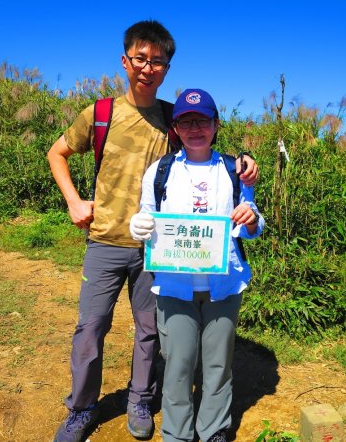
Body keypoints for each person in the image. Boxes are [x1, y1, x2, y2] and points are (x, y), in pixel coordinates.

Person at [47, 22, 258, 442]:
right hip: (105, 240)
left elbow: (205, 151)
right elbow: (57, 152)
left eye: (157, 60)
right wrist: (74, 201)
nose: (148, 67)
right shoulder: (100, 113)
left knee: (149, 332)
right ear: (125, 62)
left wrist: (245, 160)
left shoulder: (170, 117)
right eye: (140, 59)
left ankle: (141, 400)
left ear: (166, 67)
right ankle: (82, 408)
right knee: (90, 327)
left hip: (160, 251)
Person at [129, 88, 265, 442]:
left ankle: (214, 430)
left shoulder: (236, 170)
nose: (194, 128)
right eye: (186, 122)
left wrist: (251, 219)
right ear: (175, 129)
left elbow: (252, 227)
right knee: (177, 364)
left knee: (218, 364)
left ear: (216, 124)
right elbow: (148, 217)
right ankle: (176, 433)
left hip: (224, 286)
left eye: (202, 120)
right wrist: (139, 225)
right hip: (174, 286)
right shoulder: (160, 171)